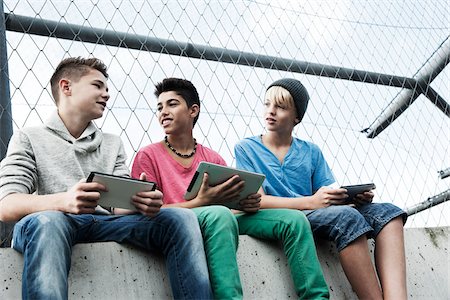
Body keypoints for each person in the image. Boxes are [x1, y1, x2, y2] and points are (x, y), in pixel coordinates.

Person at [0, 57, 212, 300]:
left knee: (180, 217)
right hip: (52, 223)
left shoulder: (112, 143)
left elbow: (118, 208)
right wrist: (64, 201)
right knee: (48, 222)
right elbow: (6, 205)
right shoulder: (29, 137)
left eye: (107, 88)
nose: (107, 94)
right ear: (66, 87)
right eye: (98, 86)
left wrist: (141, 202)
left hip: (105, 224)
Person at [131, 77, 329, 299]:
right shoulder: (147, 155)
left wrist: (246, 203)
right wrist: (202, 202)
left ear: (193, 110)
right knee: (219, 215)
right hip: (186, 220)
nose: (163, 112)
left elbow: (232, 209)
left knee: (294, 220)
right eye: (159, 107)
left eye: (172, 104)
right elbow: (149, 212)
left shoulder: (213, 158)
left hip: (221, 219)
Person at [234, 78, 408, 300]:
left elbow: (326, 199)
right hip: (285, 215)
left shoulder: (311, 151)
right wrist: (312, 202)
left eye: (281, 107)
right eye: (267, 104)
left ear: (296, 117)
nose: (271, 111)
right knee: (346, 218)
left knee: (388, 213)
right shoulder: (247, 148)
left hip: (318, 212)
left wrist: (353, 199)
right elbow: (259, 201)